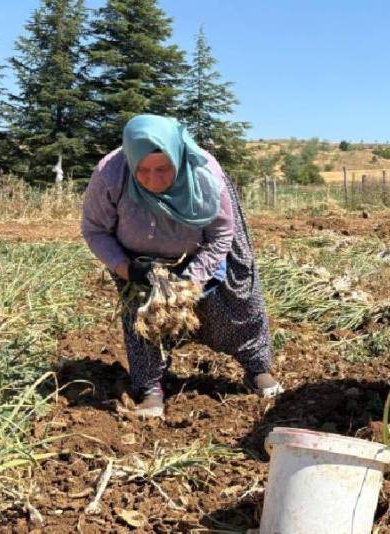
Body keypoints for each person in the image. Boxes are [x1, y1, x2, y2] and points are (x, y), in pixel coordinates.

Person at [81, 114, 282, 418]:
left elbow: (221, 234)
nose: (154, 180)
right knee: (144, 315)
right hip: (139, 260)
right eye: (143, 170)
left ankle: (257, 368)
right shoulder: (111, 174)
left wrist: (191, 279)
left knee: (237, 302)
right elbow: (95, 230)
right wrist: (128, 269)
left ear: (177, 158)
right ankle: (150, 387)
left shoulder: (205, 173)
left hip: (202, 248)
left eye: (163, 168)